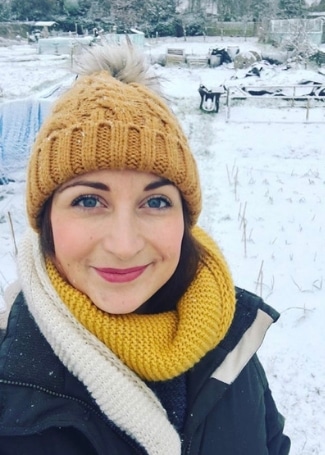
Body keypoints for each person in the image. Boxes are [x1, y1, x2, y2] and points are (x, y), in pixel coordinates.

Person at [0, 44, 290, 455]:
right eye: (87, 200)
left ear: (185, 220)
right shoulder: (8, 387)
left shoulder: (227, 335)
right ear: (45, 219)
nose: (124, 245)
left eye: (155, 202)